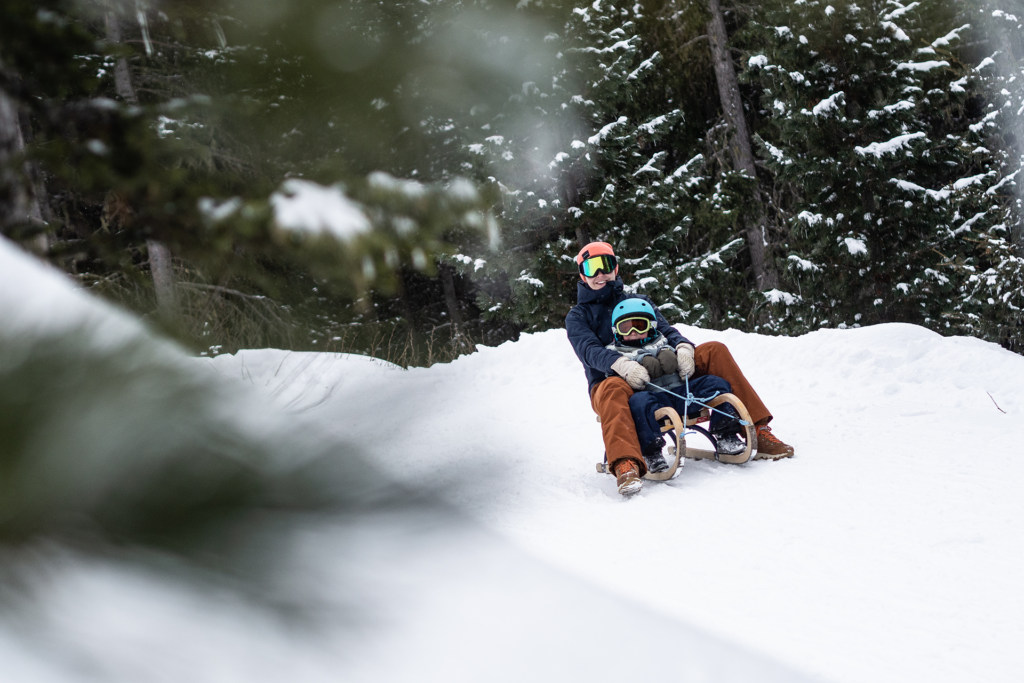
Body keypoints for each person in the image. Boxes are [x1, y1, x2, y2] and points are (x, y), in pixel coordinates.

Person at [565, 241, 794, 496]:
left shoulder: (638, 301)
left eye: (605, 265)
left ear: (615, 268)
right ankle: (626, 464)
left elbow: (666, 331)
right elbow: (588, 351)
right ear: (582, 274)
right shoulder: (578, 316)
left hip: (663, 370)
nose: (599, 274)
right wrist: (620, 364)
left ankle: (758, 429)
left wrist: (683, 347)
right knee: (611, 388)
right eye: (591, 267)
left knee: (714, 350)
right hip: (614, 381)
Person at [605, 297, 747, 476]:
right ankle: (651, 452)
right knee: (637, 402)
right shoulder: (615, 353)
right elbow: (613, 374)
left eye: (639, 326)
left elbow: (679, 343)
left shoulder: (663, 340)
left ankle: (725, 434)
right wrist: (634, 366)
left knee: (717, 383)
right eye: (626, 328)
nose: (633, 332)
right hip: (655, 401)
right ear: (616, 331)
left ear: (651, 326)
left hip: (683, 394)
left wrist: (679, 355)